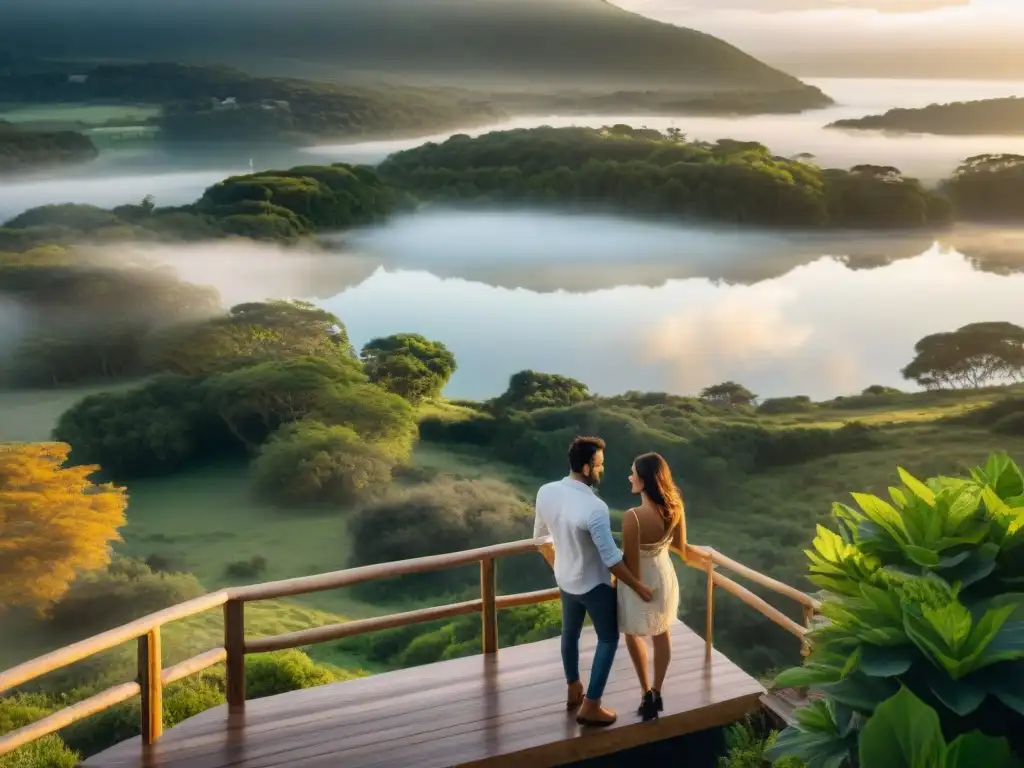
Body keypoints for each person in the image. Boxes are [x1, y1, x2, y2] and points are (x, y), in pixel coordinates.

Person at [534, 436, 654, 727]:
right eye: (599, 465)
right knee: (609, 639)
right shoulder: (594, 507)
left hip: (564, 579)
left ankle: (574, 689)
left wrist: (559, 564)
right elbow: (612, 559)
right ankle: (591, 705)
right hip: (594, 586)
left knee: (570, 633)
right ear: (587, 468)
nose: (602, 469)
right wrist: (640, 587)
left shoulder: (547, 491)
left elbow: (539, 539)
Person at [618, 452, 686, 721]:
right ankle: (658, 691)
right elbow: (681, 547)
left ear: (643, 481)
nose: (629, 476)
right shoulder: (676, 506)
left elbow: (631, 568)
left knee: (633, 633)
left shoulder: (632, 517)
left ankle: (646, 692)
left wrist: (609, 566)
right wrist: (704, 558)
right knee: (662, 632)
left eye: (633, 472)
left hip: (642, 580)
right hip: (665, 575)